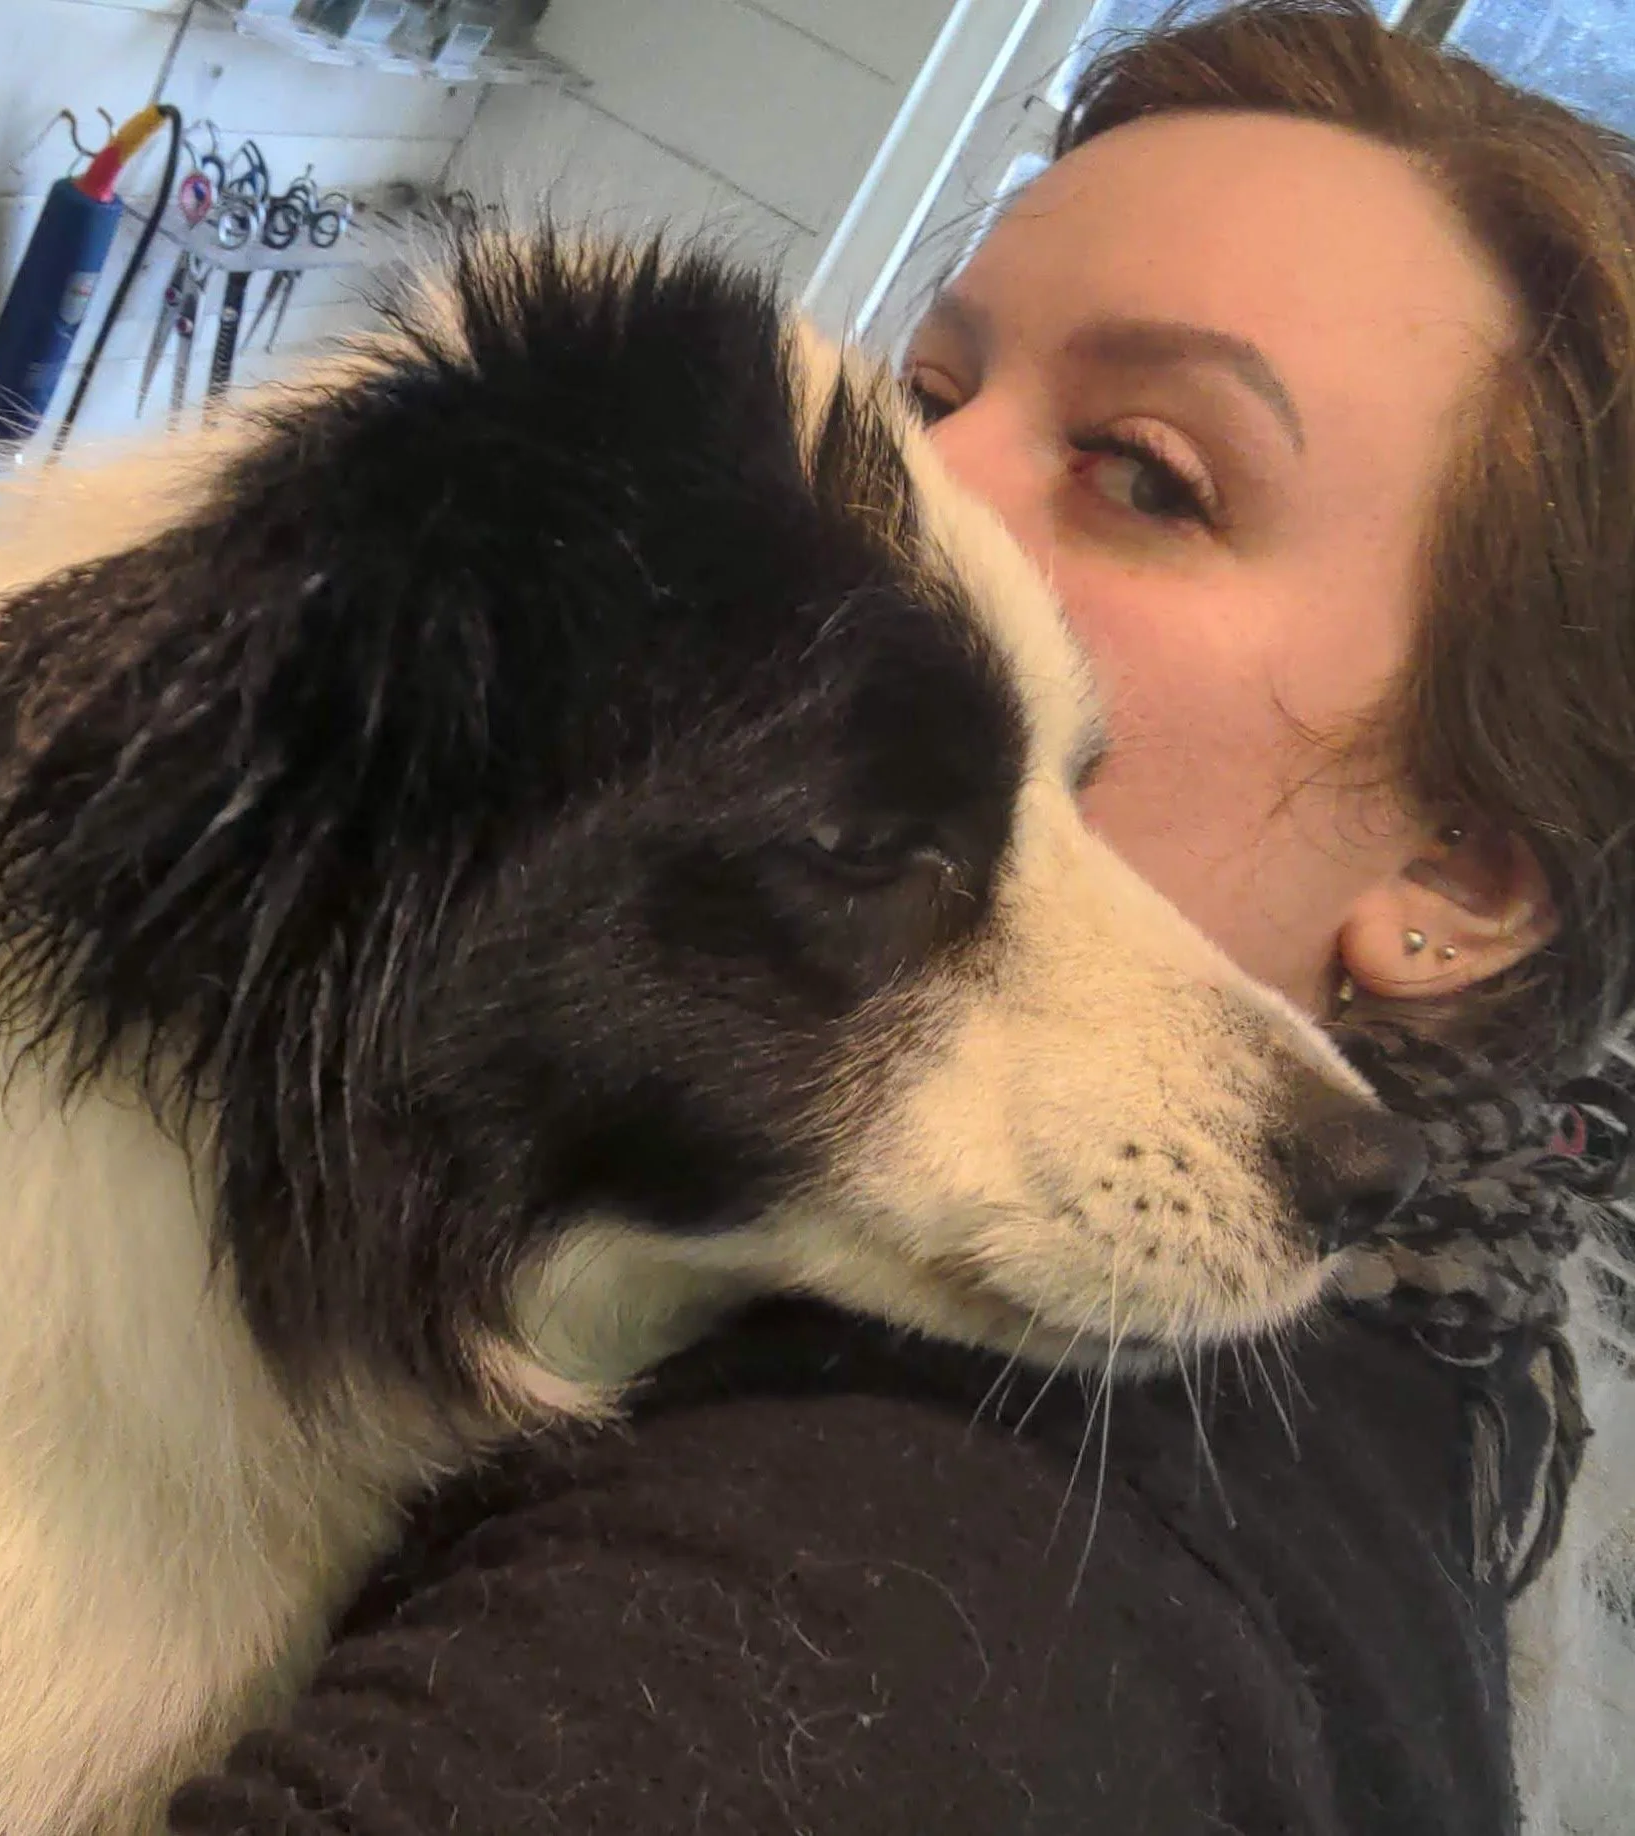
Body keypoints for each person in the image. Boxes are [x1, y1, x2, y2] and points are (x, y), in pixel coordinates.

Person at [164, 4, 1635, 1831]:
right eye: (929, 396)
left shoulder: (962, 1569)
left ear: (1458, 876)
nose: (904, 503)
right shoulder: (1417, 1348)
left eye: (1146, 473)